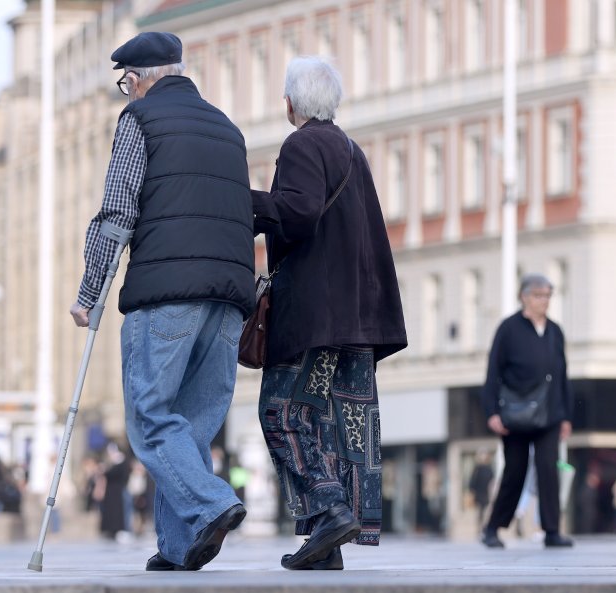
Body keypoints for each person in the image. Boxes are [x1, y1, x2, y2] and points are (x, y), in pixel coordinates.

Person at [69, 32, 255, 571]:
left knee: (150, 417)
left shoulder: (140, 121)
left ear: (140, 77)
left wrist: (89, 291)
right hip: (228, 298)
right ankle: (178, 549)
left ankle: (213, 502)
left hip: (165, 294)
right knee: (191, 427)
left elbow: (117, 212)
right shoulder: (228, 127)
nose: (126, 94)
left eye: (125, 82)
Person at [252, 56, 407, 571]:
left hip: (316, 314)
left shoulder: (301, 144)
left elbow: (297, 213)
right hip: (359, 316)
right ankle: (327, 544)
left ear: (291, 102)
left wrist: (244, 201)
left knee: (282, 411)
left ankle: (327, 506)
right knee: (337, 424)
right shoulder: (350, 148)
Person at [479, 274, 574, 549]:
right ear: (524, 296)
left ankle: (552, 531)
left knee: (549, 471)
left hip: (550, 413)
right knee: (515, 471)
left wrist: (566, 416)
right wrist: (492, 412)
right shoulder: (508, 329)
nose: (544, 301)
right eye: (538, 295)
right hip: (516, 414)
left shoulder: (555, 331)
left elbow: (563, 375)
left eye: (547, 296)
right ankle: (493, 528)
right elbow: (493, 372)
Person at [468, 451, 495, 529]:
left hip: (486, 492)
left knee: (486, 510)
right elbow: (473, 480)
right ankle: (479, 526)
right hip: (479, 492)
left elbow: (492, 480)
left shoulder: (489, 468)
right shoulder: (477, 468)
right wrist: (472, 490)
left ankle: (484, 526)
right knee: (480, 510)